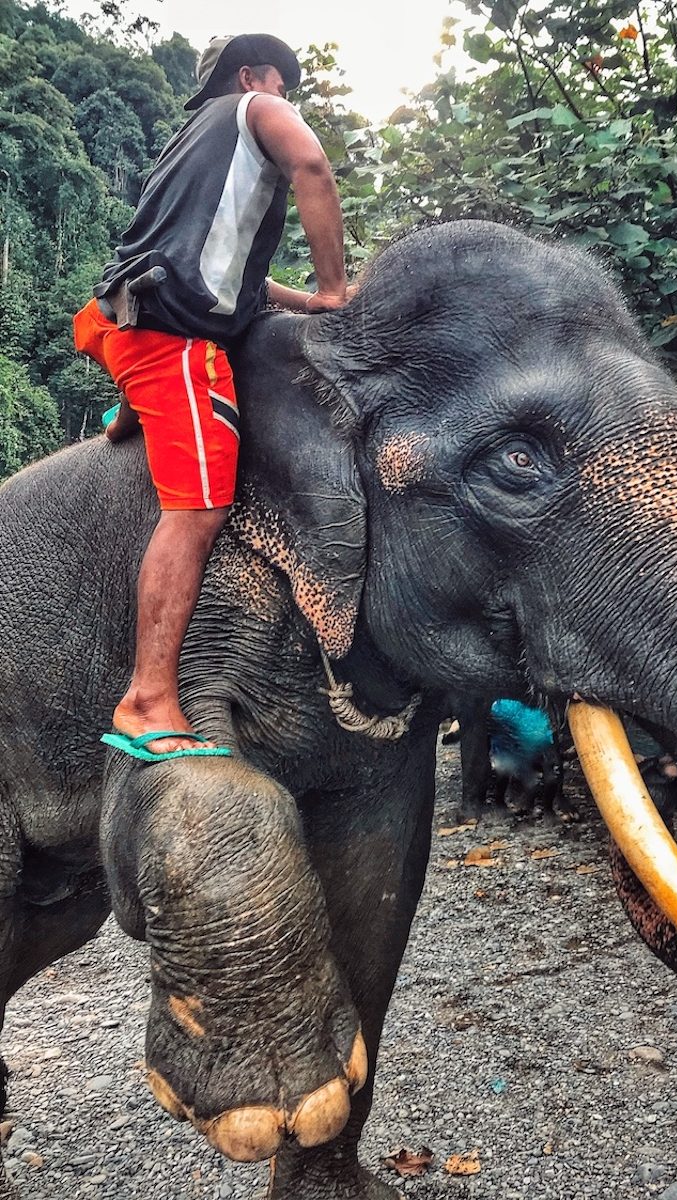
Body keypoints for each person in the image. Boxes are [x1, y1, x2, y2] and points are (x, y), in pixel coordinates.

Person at [72, 33, 353, 763]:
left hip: (113, 318)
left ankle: (131, 412)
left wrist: (303, 305)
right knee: (198, 507)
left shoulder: (185, 146)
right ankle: (147, 700)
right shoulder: (256, 108)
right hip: (170, 342)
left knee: (188, 372)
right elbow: (313, 166)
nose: (284, 96)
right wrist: (334, 290)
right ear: (250, 76)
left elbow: (238, 284)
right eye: (281, 82)